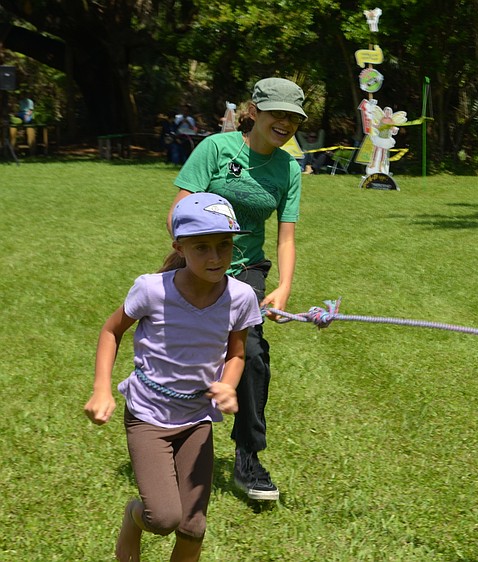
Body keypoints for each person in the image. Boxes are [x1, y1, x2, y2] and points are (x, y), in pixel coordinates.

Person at [84, 192, 263, 561]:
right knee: (164, 517)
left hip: (197, 419)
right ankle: (134, 517)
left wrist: (228, 385)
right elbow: (110, 331)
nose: (215, 258)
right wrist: (102, 389)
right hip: (149, 417)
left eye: (224, 246)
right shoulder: (152, 289)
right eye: (202, 247)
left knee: (193, 526)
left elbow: (237, 353)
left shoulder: (242, 296)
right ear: (179, 247)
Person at [167, 77, 306, 501]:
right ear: (254, 111)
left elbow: (285, 236)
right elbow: (178, 211)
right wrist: (195, 259)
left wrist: (282, 287)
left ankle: (248, 454)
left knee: (254, 356)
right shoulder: (215, 148)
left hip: (245, 268)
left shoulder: (289, 169)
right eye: (275, 113)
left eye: (292, 117)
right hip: (196, 261)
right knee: (179, 348)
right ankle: (165, 437)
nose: (283, 123)